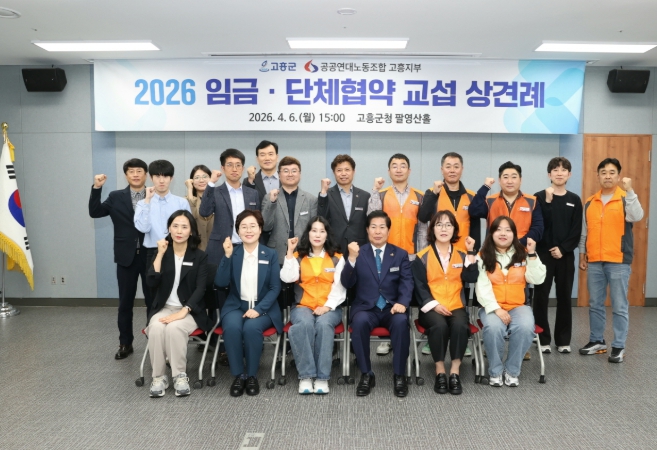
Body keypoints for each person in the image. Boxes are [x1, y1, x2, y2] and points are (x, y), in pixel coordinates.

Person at [341, 211, 413, 398]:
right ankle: (366, 374)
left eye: (382, 227)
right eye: (373, 227)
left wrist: (402, 302)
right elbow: (347, 283)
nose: (378, 231)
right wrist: (351, 259)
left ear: (388, 231)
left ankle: (399, 375)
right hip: (366, 307)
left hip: (392, 308)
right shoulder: (358, 253)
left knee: (401, 322)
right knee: (359, 323)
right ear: (367, 230)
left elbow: (407, 283)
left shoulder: (400, 254)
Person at [578, 158, 643, 363]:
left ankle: (619, 345)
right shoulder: (590, 202)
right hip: (595, 261)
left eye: (612, 172)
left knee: (619, 305)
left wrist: (630, 191)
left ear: (618, 175)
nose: (607, 176)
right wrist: (582, 254)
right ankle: (597, 340)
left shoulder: (625, 198)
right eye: (603, 172)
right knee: (595, 303)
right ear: (598, 176)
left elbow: (637, 216)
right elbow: (585, 231)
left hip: (618, 260)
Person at [89, 158, 153, 360]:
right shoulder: (116, 196)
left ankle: (155, 341)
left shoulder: (154, 195)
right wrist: (97, 188)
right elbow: (95, 212)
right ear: (126, 175)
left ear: (146, 174)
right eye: (131, 171)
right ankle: (125, 343)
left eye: (139, 171)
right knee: (125, 303)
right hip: (126, 258)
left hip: (150, 256)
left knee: (153, 302)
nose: (135, 174)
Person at [417, 151, 480, 357]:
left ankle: (460, 340)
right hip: (438, 254)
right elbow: (423, 216)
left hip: (462, 256)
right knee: (435, 292)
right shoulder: (433, 192)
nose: (452, 170)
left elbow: (475, 226)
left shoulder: (471, 196)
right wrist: (433, 194)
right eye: (448, 166)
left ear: (462, 169)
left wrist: (473, 252)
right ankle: (434, 337)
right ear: (441, 169)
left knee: (460, 298)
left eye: (456, 166)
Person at [215, 210, 282, 397]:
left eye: (253, 226)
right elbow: (220, 283)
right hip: (236, 305)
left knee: (251, 328)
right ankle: (239, 375)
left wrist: (258, 309)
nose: (248, 230)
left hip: (264, 308)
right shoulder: (234, 253)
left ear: (260, 229)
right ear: (238, 231)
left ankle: (251, 375)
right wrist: (227, 256)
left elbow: (275, 288)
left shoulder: (270, 254)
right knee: (232, 327)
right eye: (243, 227)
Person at [145, 210, 211, 398]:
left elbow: (201, 288)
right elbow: (151, 283)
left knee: (174, 328)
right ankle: (159, 377)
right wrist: (159, 254)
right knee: (156, 327)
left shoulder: (199, 256)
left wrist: (185, 309)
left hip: (190, 310)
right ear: (169, 228)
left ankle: (179, 376)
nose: (179, 231)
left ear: (191, 231)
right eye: (175, 226)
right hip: (164, 308)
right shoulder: (162, 253)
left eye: (184, 227)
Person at [412, 210, 478, 395]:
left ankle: (455, 371)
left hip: (456, 305)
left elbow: (471, 278)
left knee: (460, 325)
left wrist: (471, 253)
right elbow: (419, 287)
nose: (444, 229)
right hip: (431, 307)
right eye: (439, 224)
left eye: (448, 225)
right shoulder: (421, 256)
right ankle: (440, 370)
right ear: (432, 229)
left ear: (454, 230)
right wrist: (434, 304)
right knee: (439, 326)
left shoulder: (462, 255)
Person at [475, 216, 546, 387]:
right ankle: (495, 371)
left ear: (514, 234)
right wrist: (496, 309)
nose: (503, 234)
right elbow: (482, 286)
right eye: (498, 229)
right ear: (491, 233)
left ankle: (512, 371)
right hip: (492, 306)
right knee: (494, 328)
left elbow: (537, 279)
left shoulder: (524, 253)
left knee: (526, 326)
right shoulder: (483, 255)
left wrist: (532, 254)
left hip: (518, 305)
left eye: (508, 230)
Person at [367, 153, 425, 356]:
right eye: (394, 166)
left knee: (405, 296)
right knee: (387, 294)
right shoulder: (382, 194)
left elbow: (423, 229)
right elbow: (372, 218)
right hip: (386, 257)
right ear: (389, 170)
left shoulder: (419, 196)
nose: (399, 169)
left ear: (409, 170)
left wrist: (421, 255)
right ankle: (387, 340)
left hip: (411, 256)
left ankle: (401, 339)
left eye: (402, 166)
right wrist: (375, 190)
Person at [280, 216, 347, 395]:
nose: (317, 235)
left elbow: (340, 287)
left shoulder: (337, 258)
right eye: (314, 230)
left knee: (324, 325)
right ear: (308, 233)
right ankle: (306, 375)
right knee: (304, 324)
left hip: (330, 307)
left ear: (327, 235)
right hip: (303, 306)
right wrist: (289, 252)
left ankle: (322, 377)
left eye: (322, 231)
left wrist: (327, 306)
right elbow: (287, 278)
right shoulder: (297, 257)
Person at [533, 157, 582, 354]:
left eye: (563, 170)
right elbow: (539, 225)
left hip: (565, 255)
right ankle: (542, 339)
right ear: (549, 174)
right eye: (555, 170)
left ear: (569, 174)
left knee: (564, 297)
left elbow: (576, 230)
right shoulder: (539, 197)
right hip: (543, 255)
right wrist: (547, 201)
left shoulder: (574, 199)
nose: (559, 173)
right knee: (541, 298)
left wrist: (563, 248)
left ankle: (563, 340)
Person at [199, 149, 260, 265]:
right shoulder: (215, 192)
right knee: (219, 277)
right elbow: (204, 212)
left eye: (238, 165)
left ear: (243, 168)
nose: (234, 169)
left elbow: (258, 221)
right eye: (230, 165)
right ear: (222, 168)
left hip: (247, 248)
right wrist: (211, 183)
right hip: (220, 248)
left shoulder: (253, 194)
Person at [469, 161, 543, 247]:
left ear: (520, 180)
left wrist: (518, 244)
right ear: (499, 180)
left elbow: (538, 229)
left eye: (514, 177)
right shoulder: (490, 201)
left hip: (522, 250)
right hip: (494, 251)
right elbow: (474, 212)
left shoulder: (532, 201)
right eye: (505, 177)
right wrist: (485, 187)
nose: (510, 181)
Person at [134, 160, 191, 269]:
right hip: (152, 251)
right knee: (152, 280)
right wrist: (147, 201)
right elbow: (143, 229)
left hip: (178, 250)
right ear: (151, 178)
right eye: (157, 176)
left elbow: (188, 229)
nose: (161, 181)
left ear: (171, 178)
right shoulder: (142, 204)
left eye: (165, 176)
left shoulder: (182, 203)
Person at [261, 156, 318, 266]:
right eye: (286, 171)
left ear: (300, 174)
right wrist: (272, 202)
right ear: (279, 174)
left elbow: (314, 230)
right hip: (276, 255)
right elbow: (265, 227)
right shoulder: (269, 198)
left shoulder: (311, 200)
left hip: (303, 255)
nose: (290, 174)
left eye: (294, 171)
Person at [317, 154, 371, 255]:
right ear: (334, 173)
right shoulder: (327, 195)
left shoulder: (365, 196)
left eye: (347, 170)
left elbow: (369, 224)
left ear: (353, 172)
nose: (343, 173)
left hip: (359, 248)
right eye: (339, 170)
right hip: (334, 248)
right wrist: (323, 192)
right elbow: (321, 219)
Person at [244, 140, 281, 244]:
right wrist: (250, 181)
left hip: (281, 235)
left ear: (277, 157)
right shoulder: (250, 181)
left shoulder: (286, 179)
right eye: (262, 155)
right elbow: (247, 206)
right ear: (257, 159)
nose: (267, 158)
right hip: (258, 237)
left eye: (270, 154)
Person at [184, 164, 222, 251]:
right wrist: (189, 189)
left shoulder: (220, 198)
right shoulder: (185, 201)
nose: (201, 180)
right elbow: (191, 217)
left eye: (205, 176)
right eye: (197, 177)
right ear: (192, 181)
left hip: (217, 247)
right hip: (195, 247)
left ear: (211, 178)